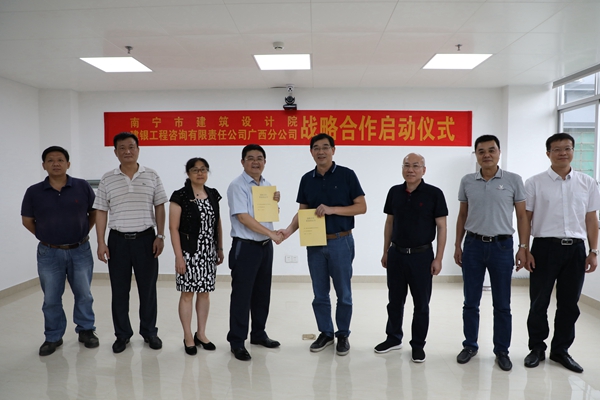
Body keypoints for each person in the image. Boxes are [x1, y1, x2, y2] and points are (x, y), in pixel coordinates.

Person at [279, 133, 366, 356]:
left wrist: (332, 209)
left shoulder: (347, 175)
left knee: (343, 292)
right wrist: (288, 231)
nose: (321, 152)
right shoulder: (306, 179)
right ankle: (326, 333)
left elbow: (361, 207)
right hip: (315, 243)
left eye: (325, 147)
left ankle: (343, 334)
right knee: (319, 293)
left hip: (341, 241)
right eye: (316, 148)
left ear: (333, 150)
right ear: (311, 152)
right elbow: (302, 212)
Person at [520, 133, 600, 373]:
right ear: (548, 153)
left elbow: (591, 219)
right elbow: (526, 218)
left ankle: (561, 350)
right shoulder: (534, 183)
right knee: (539, 302)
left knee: (569, 304)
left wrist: (593, 251)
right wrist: (524, 249)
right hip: (544, 248)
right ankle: (536, 348)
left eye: (567, 148)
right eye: (557, 149)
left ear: (573, 151)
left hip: (575, 250)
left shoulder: (587, 182)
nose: (563, 153)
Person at [453, 134, 530, 371]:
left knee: (502, 304)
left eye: (491, 150)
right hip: (473, 246)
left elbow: (522, 216)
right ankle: (470, 345)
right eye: (481, 151)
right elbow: (463, 215)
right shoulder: (467, 181)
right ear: (476, 155)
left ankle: (502, 351)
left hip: (502, 247)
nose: (486, 155)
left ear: (499, 152)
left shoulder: (513, 180)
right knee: (470, 301)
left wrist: (523, 248)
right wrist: (457, 245)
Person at [94, 132, 168, 354]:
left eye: (131, 147)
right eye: (122, 148)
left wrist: (160, 236)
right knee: (119, 291)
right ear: (115, 152)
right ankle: (122, 335)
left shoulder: (151, 175)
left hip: (146, 240)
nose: (127, 151)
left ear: (138, 149)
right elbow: (101, 211)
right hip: (117, 241)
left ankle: (149, 332)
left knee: (148, 290)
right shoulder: (107, 178)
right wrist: (100, 242)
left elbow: (160, 206)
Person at [21, 146, 98, 356]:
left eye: (60, 159)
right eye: (51, 160)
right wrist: (46, 236)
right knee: (51, 298)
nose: (56, 163)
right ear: (44, 165)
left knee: (84, 294)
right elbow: (27, 220)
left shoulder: (82, 186)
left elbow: (94, 212)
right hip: (49, 253)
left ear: (68, 164)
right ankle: (53, 336)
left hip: (80, 250)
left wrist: (83, 231)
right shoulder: (34, 191)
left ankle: (86, 330)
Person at [374, 153, 447, 363]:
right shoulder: (394, 192)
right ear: (402, 168)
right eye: (407, 165)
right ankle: (393, 338)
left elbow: (442, 227)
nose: (411, 170)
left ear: (424, 170)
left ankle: (418, 345)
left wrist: (439, 258)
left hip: (422, 256)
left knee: (421, 304)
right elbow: (389, 222)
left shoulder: (434, 194)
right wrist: (385, 251)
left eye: (416, 166)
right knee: (394, 301)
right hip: (396, 254)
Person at [227, 144, 282, 361]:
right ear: (243, 162)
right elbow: (243, 217)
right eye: (250, 158)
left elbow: (267, 215)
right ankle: (237, 341)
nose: (255, 162)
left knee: (262, 293)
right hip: (246, 247)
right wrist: (271, 233)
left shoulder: (267, 186)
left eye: (259, 158)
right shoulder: (237, 185)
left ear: (265, 162)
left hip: (265, 247)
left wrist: (275, 205)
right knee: (242, 295)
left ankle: (258, 334)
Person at [169, 157, 224, 356]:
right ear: (188, 173)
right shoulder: (180, 196)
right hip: (189, 253)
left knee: (205, 293)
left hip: (208, 252)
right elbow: (173, 228)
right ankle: (188, 337)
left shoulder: (213, 194)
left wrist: (219, 248)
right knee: (187, 294)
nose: (200, 173)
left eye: (203, 169)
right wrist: (179, 257)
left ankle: (201, 334)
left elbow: (218, 224)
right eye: (195, 170)